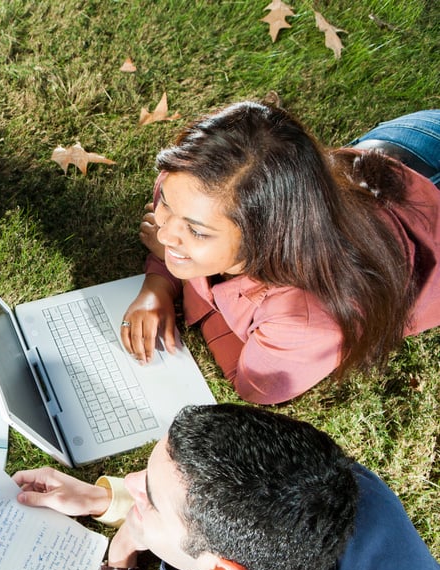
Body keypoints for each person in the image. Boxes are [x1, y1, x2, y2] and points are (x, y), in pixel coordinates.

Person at [12, 403, 440, 570]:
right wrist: (104, 500)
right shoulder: (351, 487)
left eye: (152, 500)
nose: (130, 477)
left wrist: (121, 558)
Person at [120, 103, 440, 404]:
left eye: (197, 231)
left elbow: (254, 386)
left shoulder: (307, 317)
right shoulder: (195, 181)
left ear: (267, 238)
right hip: (412, 145)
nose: (162, 233)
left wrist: (187, 285)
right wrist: (158, 284)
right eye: (166, 205)